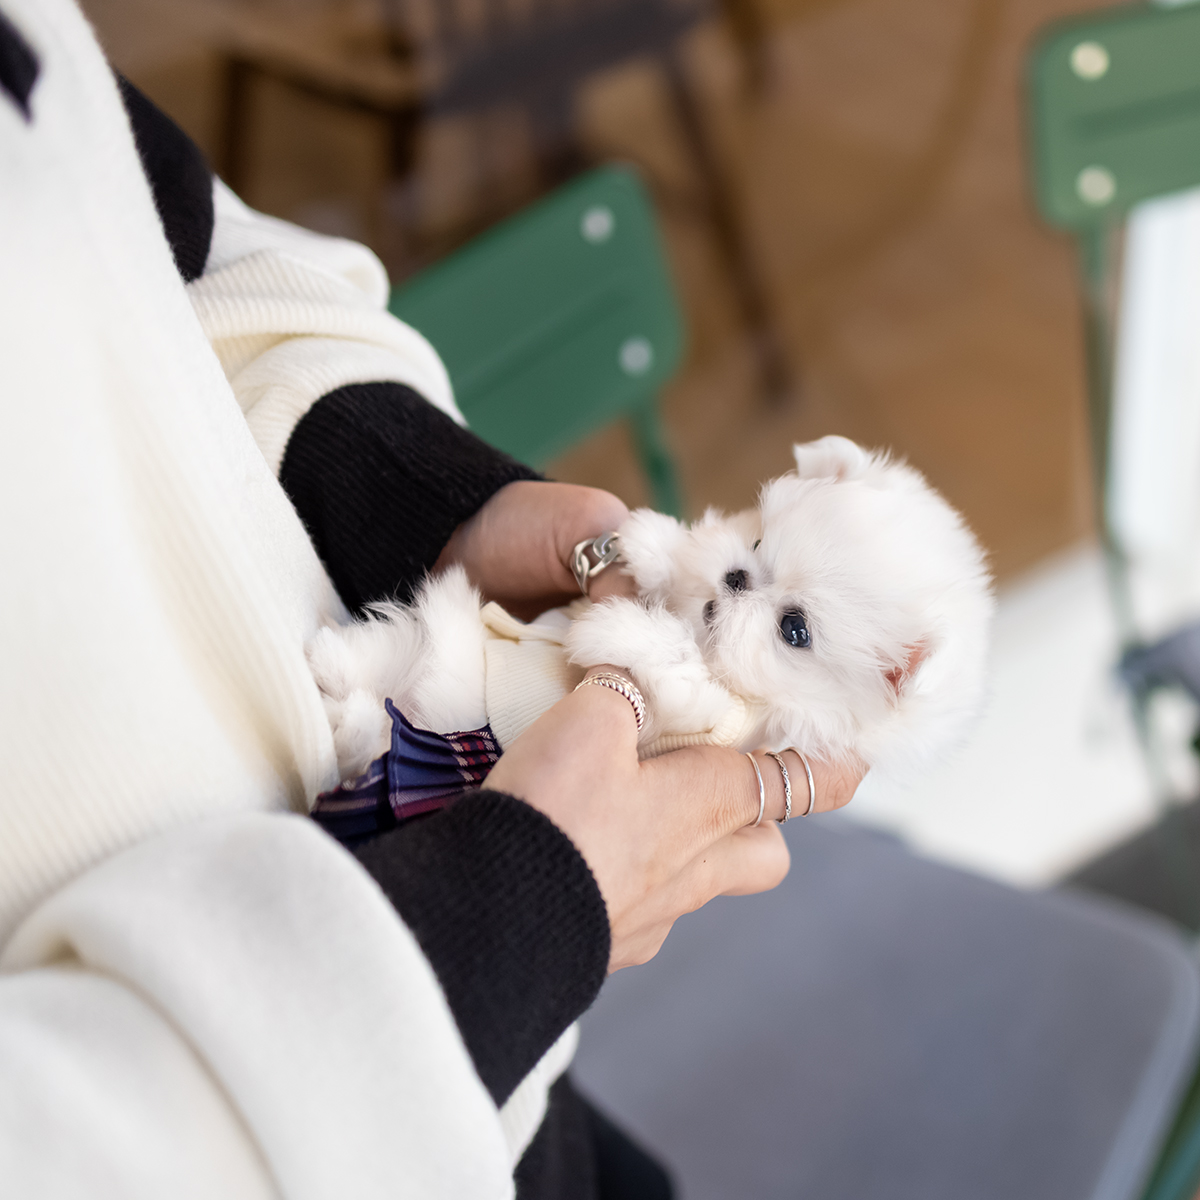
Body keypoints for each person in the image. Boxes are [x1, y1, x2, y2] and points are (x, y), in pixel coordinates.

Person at [0, 2, 863, 1196]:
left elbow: (178, 252)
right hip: (385, 1067)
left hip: (486, 1085)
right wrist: (501, 920)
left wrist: (418, 500)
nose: (735, 590)